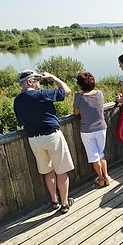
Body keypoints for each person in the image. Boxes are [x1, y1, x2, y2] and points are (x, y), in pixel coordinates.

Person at [14, 69, 75, 214]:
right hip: (52, 137)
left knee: (48, 171)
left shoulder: (17, 100)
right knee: (62, 171)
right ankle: (65, 203)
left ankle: (54, 201)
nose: (39, 82)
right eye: (37, 80)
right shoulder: (41, 94)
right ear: (30, 82)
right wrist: (53, 77)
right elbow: (67, 91)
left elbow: (21, 121)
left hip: (34, 140)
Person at [73, 72, 110, 188]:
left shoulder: (79, 97)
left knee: (94, 157)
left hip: (87, 130)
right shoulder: (99, 94)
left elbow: (76, 112)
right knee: (101, 153)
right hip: (101, 128)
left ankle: (101, 179)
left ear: (80, 85)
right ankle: (107, 176)